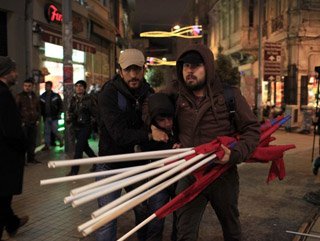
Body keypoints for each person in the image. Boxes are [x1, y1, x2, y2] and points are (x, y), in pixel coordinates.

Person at [158, 45, 260, 241]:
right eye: (186, 66)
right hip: (190, 174)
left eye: (196, 66)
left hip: (222, 175)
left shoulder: (230, 95)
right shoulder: (176, 95)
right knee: (184, 232)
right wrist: (159, 129)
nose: (190, 71)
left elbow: (252, 129)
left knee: (231, 229)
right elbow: (152, 106)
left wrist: (235, 154)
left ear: (208, 68)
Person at [97, 48, 159, 241]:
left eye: (137, 69)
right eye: (128, 70)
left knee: (144, 216)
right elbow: (118, 135)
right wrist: (149, 135)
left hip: (138, 166)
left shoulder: (149, 93)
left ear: (144, 69)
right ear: (120, 71)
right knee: (106, 220)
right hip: (110, 164)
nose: (133, 75)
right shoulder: (108, 93)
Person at [141, 93, 179, 241]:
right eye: (161, 120)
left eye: (169, 118)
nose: (167, 123)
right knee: (156, 221)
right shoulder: (149, 133)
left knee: (180, 222)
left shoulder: (181, 127)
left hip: (180, 179)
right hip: (159, 181)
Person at [0, 56, 29, 240]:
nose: (16, 74)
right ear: (5, 73)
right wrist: (23, 146)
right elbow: (11, 130)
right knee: (3, 198)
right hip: (5, 158)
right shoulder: (3, 94)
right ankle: (11, 223)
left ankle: (12, 223)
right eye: (13, 71)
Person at [66, 80, 97, 176]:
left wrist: (92, 123)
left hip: (86, 126)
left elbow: (95, 113)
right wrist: (69, 118)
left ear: (84, 88)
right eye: (77, 86)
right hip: (76, 127)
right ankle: (97, 162)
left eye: (81, 86)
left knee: (78, 148)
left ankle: (74, 171)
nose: (78, 88)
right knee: (85, 147)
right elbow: (70, 111)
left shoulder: (90, 99)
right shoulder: (73, 99)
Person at [16, 78, 41, 164]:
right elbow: (16, 110)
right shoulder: (19, 96)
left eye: (29, 86)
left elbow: (38, 109)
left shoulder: (35, 96)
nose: (27, 87)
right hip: (24, 123)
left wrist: (37, 120)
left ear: (32, 86)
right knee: (23, 142)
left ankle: (31, 159)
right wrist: (21, 122)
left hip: (33, 123)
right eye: (25, 86)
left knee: (32, 142)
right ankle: (22, 160)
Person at [39, 81, 64, 150]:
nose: (46, 87)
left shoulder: (56, 96)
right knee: (47, 131)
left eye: (48, 86)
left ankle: (61, 139)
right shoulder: (42, 96)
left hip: (54, 117)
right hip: (46, 117)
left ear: (50, 87)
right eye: (46, 86)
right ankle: (47, 145)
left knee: (55, 130)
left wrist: (59, 113)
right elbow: (40, 107)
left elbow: (61, 105)